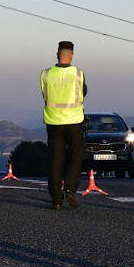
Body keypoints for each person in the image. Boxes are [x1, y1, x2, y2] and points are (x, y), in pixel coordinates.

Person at [40, 40, 87, 210]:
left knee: (55, 160)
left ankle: (56, 200)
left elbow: (44, 94)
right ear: (71, 55)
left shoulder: (45, 74)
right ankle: (70, 189)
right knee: (75, 156)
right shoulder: (78, 74)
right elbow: (83, 93)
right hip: (74, 121)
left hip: (53, 122)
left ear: (57, 55)